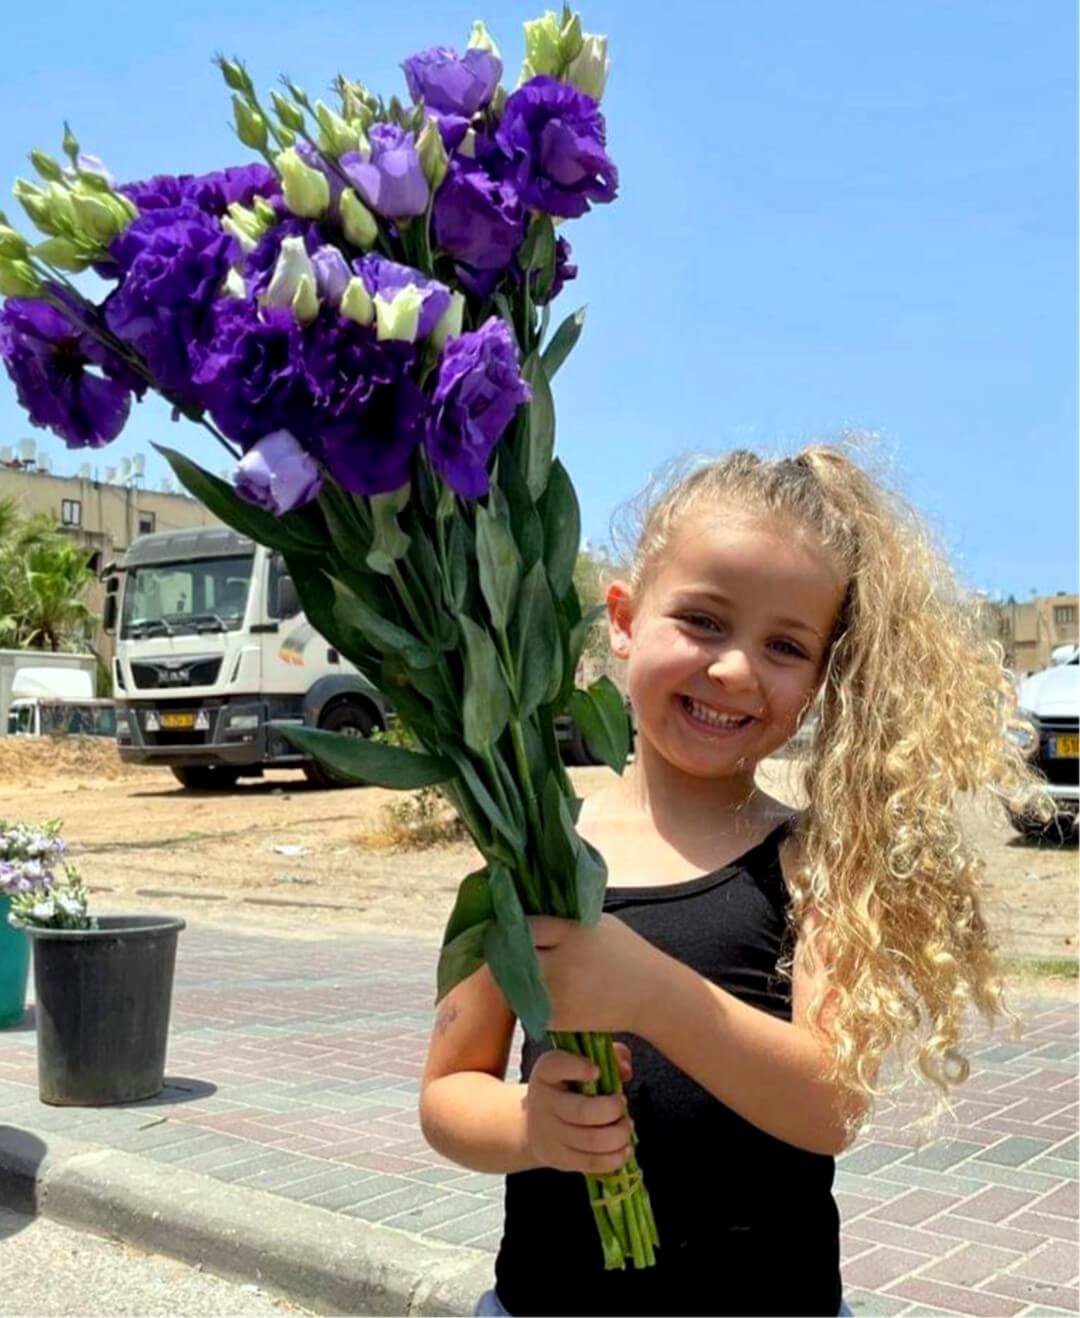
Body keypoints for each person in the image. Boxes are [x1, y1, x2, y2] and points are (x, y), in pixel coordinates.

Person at [419, 446, 1047, 1318]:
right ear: (624, 621)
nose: (736, 670)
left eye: (785, 646)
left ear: (820, 680)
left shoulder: (816, 859)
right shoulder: (529, 849)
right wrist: (527, 1125)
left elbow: (832, 1107)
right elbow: (448, 1092)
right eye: (704, 621)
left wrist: (651, 993)